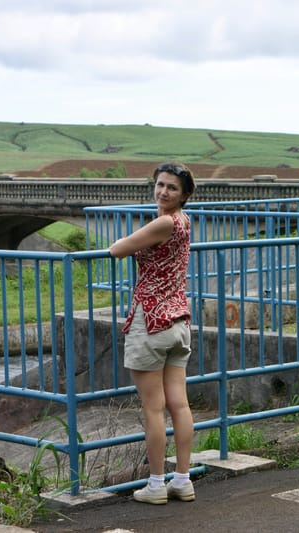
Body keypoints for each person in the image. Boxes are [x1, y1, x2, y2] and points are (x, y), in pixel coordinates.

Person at [109, 162, 197, 505]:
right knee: (180, 403)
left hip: (151, 322)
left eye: (172, 188)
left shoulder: (163, 222)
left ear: (184, 194)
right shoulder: (184, 221)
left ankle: (157, 484)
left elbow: (118, 249)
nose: (163, 191)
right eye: (160, 185)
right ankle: (183, 480)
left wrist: (125, 241)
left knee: (153, 408)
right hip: (178, 322)